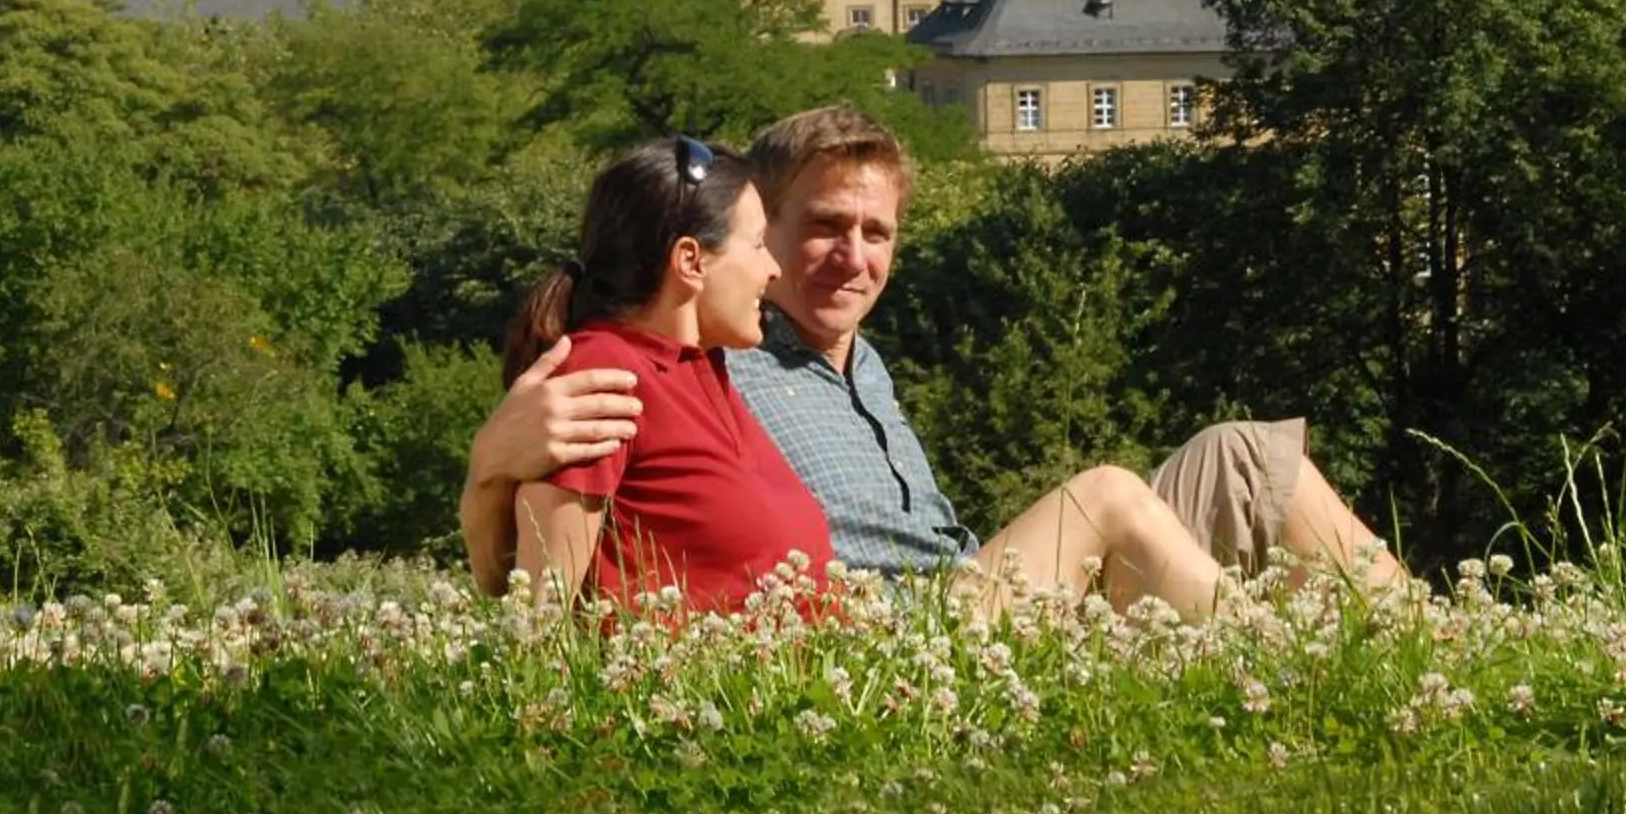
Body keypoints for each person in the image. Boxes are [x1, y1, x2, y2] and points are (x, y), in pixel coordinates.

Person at [465, 105, 1407, 617]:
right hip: (909, 629)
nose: (853, 255)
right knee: (1113, 493)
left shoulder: (855, 363)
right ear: (751, 239)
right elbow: (568, 521)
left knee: (1244, 456)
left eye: (878, 232)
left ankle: (1430, 644)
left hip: (991, 587)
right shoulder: (717, 357)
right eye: (820, 228)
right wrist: (489, 466)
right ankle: (1290, 666)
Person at [495, 133, 833, 610]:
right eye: (757, 245)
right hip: (682, 682)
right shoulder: (603, 376)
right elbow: (539, 617)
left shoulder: (705, 373)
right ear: (691, 261)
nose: (773, 268)